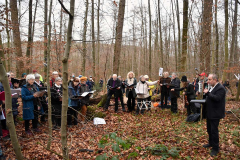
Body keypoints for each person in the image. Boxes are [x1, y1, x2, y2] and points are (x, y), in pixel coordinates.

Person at [203, 74, 226, 156]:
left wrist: (208, 93)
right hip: (209, 112)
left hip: (215, 113)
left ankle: (216, 148)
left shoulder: (221, 88)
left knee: (214, 131)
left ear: (215, 80)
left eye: (209, 79)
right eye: (208, 79)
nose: (208, 81)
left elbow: (217, 98)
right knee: (209, 129)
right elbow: (210, 97)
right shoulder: (212, 87)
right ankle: (211, 143)